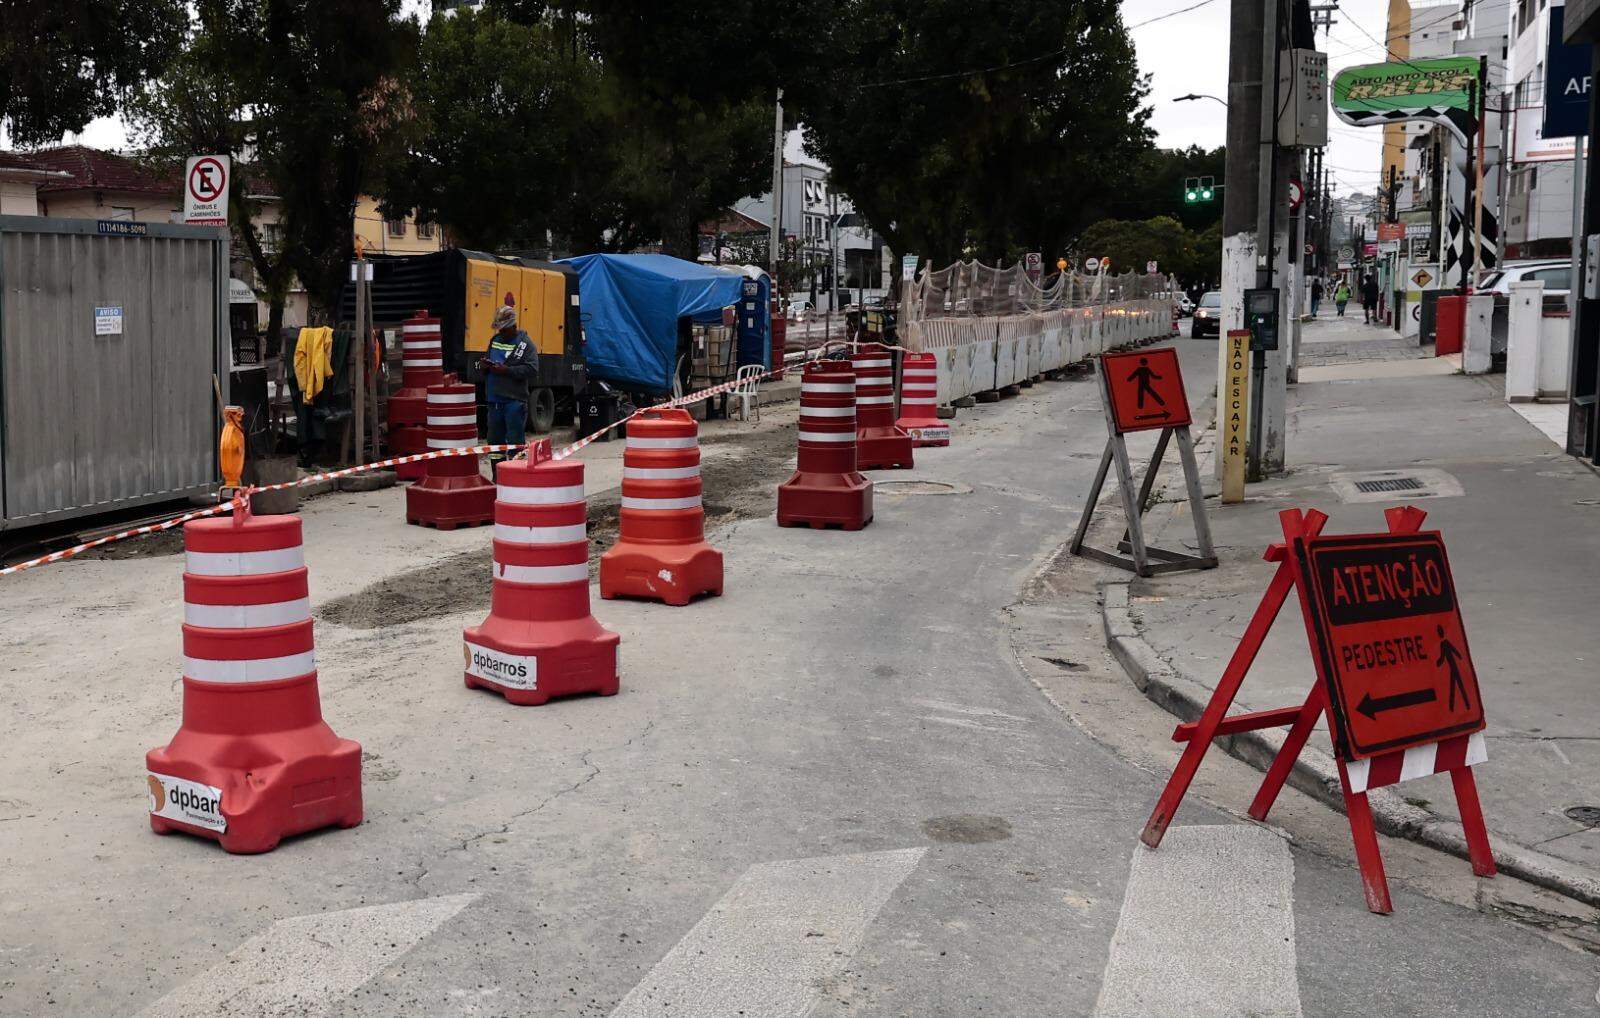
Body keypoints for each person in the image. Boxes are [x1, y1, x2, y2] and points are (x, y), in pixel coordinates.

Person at [479, 303, 537, 460]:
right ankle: (497, 477)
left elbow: (532, 369)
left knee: (515, 444)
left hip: (514, 402)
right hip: (494, 402)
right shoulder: (495, 340)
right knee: (495, 445)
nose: (501, 332)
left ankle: (515, 479)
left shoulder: (525, 344)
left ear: (513, 326)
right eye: (500, 329)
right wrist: (484, 366)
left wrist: (507, 371)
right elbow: (486, 363)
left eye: (504, 329)